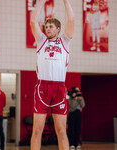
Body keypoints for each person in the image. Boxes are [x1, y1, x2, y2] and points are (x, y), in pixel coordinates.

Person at [30, 0, 74, 149]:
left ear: (58, 29)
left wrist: (65, 1)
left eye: (51, 27)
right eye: (46, 26)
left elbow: (72, 19)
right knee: (37, 130)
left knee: (61, 131)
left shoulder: (64, 41)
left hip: (59, 88)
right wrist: (41, 2)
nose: (47, 29)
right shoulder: (41, 40)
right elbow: (33, 21)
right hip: (43, 86)